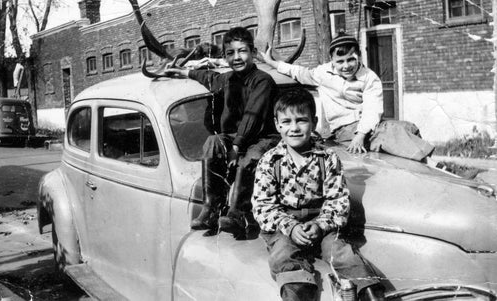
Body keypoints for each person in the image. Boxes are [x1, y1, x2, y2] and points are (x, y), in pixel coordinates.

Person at [252, 88, 385, 301]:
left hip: (321, 223)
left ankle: (368, 293)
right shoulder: (270, 161)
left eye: (301, 120)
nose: (294, 128)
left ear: (313, 122)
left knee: (342, 252)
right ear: (277, 124)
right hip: (284, 226)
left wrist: (320, 225)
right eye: (286, 122)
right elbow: (263, 206)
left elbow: (338, 200)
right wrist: (291, 226)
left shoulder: (328, 158)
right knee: (283, 255)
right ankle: (298, 293)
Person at [166, 27, 279, 237]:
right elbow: (207, 77)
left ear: (253, 53)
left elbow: (252, 117)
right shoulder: (227, 79)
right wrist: (184, 72)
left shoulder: (262, 80)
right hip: (236, 138)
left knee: (249, 159)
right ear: (226, 56)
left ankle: (239, 213)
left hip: (263, 138)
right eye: (230, 53)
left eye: (242, 51)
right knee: (213, 141)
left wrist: (236, 147)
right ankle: (210, 208)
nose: (237, 57)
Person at [260, 32, 435, 163]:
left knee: (408, 127)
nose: (346, 66)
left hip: (366, 128)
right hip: (345, 131)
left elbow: (372, 108)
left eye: (351, 59)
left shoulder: (369, 77)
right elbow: (299, 72)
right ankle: (430, 163)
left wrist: (361, 134)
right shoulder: (323, 73)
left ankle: (426, 165)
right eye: (340, 61)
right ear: (332, 61)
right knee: (389, 131)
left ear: (359, 55)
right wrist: (273, 63)